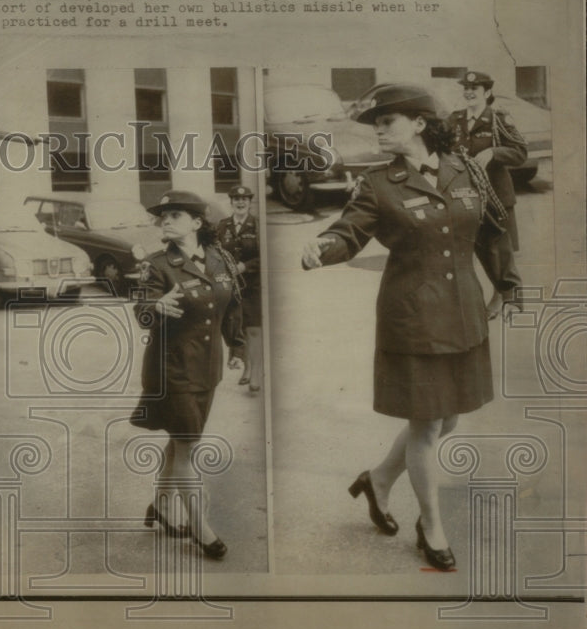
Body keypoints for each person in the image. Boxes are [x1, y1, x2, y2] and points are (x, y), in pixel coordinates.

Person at [301, 84, 514, 571]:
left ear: (420, 124)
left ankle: (376, 480)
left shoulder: (466, 171)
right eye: (375, 123)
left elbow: (491, 230)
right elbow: (348, 231)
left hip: (464, 312)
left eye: (387, 121)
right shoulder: (378, 183)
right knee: (427, 423)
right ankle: (431, 526)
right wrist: (321, 247)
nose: (378, 130)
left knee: (448, 418)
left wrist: (506, 283)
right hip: (414, 318)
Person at [132, 190, 245, 560]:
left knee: (180, 440)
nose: (165, 220)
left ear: (197, 223)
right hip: (173, 370)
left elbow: (232, 306)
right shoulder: (157, 264)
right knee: (187, 445)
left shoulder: (221, 259)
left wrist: (237, 347)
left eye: (175, 215)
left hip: (207, 369)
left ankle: (162, 507)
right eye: (162, 216)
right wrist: (154, 306)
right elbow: (142, 309)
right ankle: (201, 527)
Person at [447, 70, 527, 319]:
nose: (469, 93)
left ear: (487, 93)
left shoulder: (498, 118)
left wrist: (494, 152)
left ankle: (508, 299)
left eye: (476, 89)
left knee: (500, 251)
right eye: (467, 89)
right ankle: (492, 297)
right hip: (465, 196)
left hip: (496, 197)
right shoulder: (455, 119)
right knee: (476, 248)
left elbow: (520, 153)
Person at [216, 184, 262, 394]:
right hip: (231, 286)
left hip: (252, 286)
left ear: (250, 202)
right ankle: (247, 367)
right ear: (232, 202)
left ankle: (256, 372)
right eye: (236, 199)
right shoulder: (223, 226)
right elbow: (216, 253)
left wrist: (245, 266)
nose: (241, 203)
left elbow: (264, 257)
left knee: (253, 329)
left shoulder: (257, 226)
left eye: (245, 200)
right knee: (239, 328)